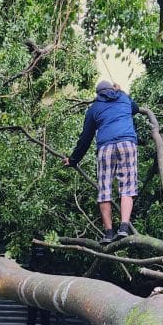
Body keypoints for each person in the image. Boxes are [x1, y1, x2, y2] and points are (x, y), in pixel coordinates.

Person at [64, 80, 140, 244]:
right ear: (113, 88)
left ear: (97, 94)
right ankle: (124, 228)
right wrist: (122, 92)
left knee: (104, 189)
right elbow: (136, 108)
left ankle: (108, 233)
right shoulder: (124, 98)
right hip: (127, 144)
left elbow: (85, 139)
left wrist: (73, 160)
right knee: (127, 187)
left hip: (105, 148)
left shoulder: (94, 108)